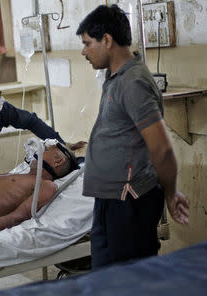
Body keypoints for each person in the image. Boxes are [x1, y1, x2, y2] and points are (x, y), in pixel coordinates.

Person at [76, 5, 189, 269]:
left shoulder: (134, 82)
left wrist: (171, 193)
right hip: (110, 200)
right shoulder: (115, 77)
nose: (83, 51)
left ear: (107, 40)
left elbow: (161, 149)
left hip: (129, 204)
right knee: (108, 281)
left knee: (131, 283)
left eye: (87, 43)